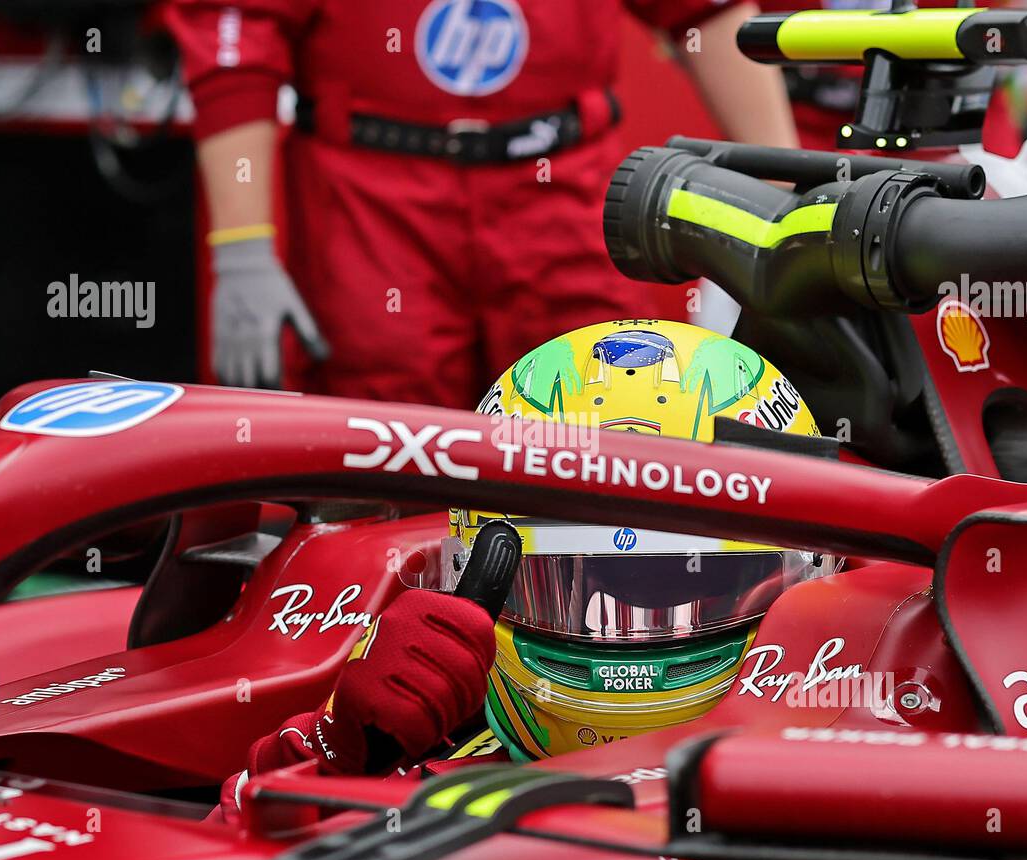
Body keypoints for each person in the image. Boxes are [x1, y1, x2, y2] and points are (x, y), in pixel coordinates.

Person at [210, 319, 828, 822]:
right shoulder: (422, 781)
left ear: (808, 577)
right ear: (476, 580)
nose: (625, 637)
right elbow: (222, 844)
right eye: (575, 588)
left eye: (682, 585)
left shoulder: (861, 770)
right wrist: (336, 751)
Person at [166, 1, 798, 406]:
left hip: (560, 190)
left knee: (598, 419)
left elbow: (704, 13)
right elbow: (239, 38)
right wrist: (241, 248)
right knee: (380, 451)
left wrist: (786, 209)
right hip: (373, 203)